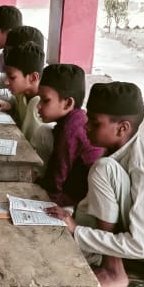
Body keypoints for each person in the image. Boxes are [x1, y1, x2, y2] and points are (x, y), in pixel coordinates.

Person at [48, 81, 144, 287]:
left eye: (94, 123)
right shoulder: (117, 152)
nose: (86, 127)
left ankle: (113, 270)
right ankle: (114, 263)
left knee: (103, 169)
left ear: (122, 128)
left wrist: (77, 231)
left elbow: (139, 245)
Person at [34, 63, 102, 208]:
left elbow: (58, 178)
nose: (38, 105)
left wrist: (37, 196)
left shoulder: (71, 130)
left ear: (67, 103)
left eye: (45, 100)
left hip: (80, 201)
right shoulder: (73, 119)